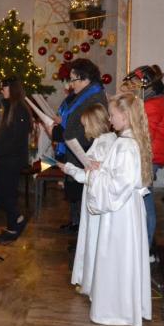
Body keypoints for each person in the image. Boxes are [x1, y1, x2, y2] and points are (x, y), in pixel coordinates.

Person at [66, 93, 152, 326]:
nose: (110, 119)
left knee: (116, 256)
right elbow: (120, 176)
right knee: (123, 257)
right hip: (127, 207)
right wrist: (101, 169)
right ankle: (125, 305)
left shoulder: (125, 145)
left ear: (125, 115)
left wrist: (94, 173)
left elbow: (117, 186)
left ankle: (115, 310)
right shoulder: (129, 141)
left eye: (113, 115)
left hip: (119, 212)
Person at [58, 103, 117, 298]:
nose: (84, 130)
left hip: (97, 201)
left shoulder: (104, 144)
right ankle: (89, 280)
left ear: (94, 123)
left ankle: (93, 283)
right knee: (91, 240)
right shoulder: (104, 140)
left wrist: (69, 169)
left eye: (85, 125)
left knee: (93, 241)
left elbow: (91, 177)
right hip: (93, 197)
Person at [51, 58, 107, 233]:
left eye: (73, 79)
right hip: (76, 150)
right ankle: (76, 223)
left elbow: (89, 129)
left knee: (82, 194)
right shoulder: (83, 95)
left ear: (85, 78)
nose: (71, 84)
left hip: (84, 150)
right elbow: (72, 120)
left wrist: (61, 132)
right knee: (75, 192)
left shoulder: (94, 97)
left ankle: (82, 229)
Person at [121, 65, 164, 253]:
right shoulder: (150, 101)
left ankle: (146, 247)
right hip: (149, 155)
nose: (131, 88)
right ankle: (144, 244)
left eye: (134, 84)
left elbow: (144, 136)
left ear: (146, 85)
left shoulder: (151, 105)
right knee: (144, 198)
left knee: (145, 200)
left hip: (150, 156)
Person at [0, 78, 32, 243]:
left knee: (5, 195)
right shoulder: (9, 107)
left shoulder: (19, 110)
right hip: (3, 158)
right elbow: (6, 134)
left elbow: (15, 139)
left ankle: (15, 224)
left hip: (10, 160)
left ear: (12, 89)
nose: (1, 90)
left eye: (4, 87)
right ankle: (15, 222)